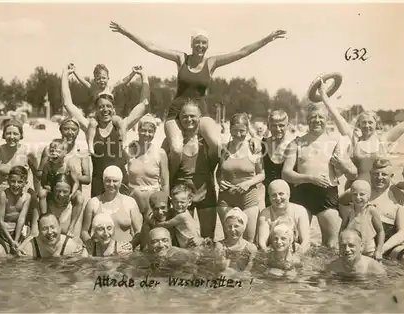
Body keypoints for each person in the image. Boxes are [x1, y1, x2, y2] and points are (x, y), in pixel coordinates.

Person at [110, 21, 286, 180]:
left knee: (217, 144)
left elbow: (242, 52)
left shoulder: (211, 63)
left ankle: (208, 173)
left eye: (204, 43)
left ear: (207, 45)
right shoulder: (181, 59)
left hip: (200, 111)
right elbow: (152, 47)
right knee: (177, 149)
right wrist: (127, 32)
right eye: (197, 42)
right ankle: (168, 180)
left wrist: (268, 39)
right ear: (191, 44)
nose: (200, 46)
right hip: (177, 111)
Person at [61, 65, 150, 197]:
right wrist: (64, 76)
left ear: (113, 109)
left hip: (120, 182)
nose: (105, 110)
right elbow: (68, 104)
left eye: (108, 106)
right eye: (101, 107)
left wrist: (144, 76)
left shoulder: (122, 125)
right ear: (96, 110)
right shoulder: (90, 127)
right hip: (99, 184)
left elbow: (143, 106)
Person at [282, 103, 358, 248]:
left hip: (326, 194)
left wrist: (342, 166)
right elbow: (286, 173)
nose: (317, 120)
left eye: (320, 117)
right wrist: (310, 178)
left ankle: (326, 271)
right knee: (298, 242)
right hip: (301, 194)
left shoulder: (335, 143)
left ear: (327, 119)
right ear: (307, 119)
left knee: (331, 244)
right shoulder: (297, 143)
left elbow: (353, 173)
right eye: (313, 117)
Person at [318, 78, 404, 187]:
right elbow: (336, 116)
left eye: (370, 123)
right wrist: (323, 95)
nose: (367, 125)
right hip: (357, 189)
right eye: (364, 123)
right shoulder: (354, 139)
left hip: (378, 188)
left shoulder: (383, 140)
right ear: (359, 124)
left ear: (376, 124)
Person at [163, 100, 219, 240]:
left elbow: (219, 156)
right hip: (181, 193)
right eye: (185, 116)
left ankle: (206, 262)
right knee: (185, 238)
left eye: (193, 116)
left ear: (200, 117)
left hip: (206, 191)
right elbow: (162, 165)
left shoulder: (206, 140)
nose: (189, 119)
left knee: (208, 238)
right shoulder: (172, 140)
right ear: (179, 119)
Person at [69, 64, 141, 155]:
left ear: (108, 78)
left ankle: (124, 142)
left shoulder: (111, 88)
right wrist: (74, 72)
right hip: (98, 115)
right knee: (92, 124)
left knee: (120, 122)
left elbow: (123, 81)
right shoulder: (94, 89)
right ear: (95, 80)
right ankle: (90, 145)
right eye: (98, 78)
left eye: (103, 78)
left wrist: (133, 73)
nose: (101, 81)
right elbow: (83, 82)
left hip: (111, 115)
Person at [217, 113, 265, 242]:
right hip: (226, 199)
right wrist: (219, 181)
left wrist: (248, 183)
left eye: (242, 131)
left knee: (249, 240)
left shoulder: (253, 147)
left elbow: (262, 174)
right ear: (230, 129)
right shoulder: (223, 149)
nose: (238, 134)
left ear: (247, 130)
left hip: (248, 197)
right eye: (234, 130)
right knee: (230, 239)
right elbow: (218, 173)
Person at [82, 166, 143, 248]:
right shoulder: (93, 202)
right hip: (100, 254)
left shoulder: (130, 202)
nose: (111, 184)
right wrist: (91, 245)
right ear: (103, 182)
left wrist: (132, 244)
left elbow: (138, 231)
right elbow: (84, 231)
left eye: (115, 181)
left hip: (124, 253)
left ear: (120, 183)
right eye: (108, 181)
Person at [367, 159, 404, 261]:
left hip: (388, 244)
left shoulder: (399, 198)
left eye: (384, 174)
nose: (380, 177)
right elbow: (341, 201)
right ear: (370, 174)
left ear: (391, 176)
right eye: (376, 174)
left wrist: (381, 250)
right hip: (364, 243)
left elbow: (403, 232)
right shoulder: (362, 192)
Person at [128, 114, 169, 216]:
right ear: (138, 130)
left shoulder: (160, 153)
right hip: (133, 199)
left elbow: (165, 183)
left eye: (150, 131)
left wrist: (164, 203)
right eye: (143, 130)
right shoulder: (129, 150)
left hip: (153, 202)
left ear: (155, 133)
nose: (147, 134)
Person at [257, 179, 310, 253]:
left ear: (288, 194)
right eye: (273, 195)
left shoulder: (300, 211)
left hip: (295, 250)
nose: (278, 198)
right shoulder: (265, 214)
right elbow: (262, 243)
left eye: (281, 194)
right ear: (269, 197)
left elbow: (306, 241)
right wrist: (268, 255)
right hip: (273, 251)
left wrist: (298, 255)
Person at [339, 180, 384, 260]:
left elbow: (380, 231)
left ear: (369, 195)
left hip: (369, 251)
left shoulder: (371, 210)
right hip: (351, 251)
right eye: (354, 194)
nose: (358, 197)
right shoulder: (349, 211)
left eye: (362, 194)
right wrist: (340, 248)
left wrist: (378, 250)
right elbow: (342, 230)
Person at [38, 139, 84, 216]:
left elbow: (76, 182)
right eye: (52, 151)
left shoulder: (68, 165)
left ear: (65, 153)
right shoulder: (47, 166)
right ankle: (44, 215)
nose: (54, 154)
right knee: (41, 193)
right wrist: (51, 189)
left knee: (80, 198)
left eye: (58, 152)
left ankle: (73, 223)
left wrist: (71, 193)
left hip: (67, 191)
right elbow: (43, 182)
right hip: (53, 190)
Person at [261, 110, 296, 207]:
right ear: (268, 126)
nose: (278, 129)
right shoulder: (262, 144)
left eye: (281, 125)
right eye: (274, 126)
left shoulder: (296, 143)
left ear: (288, 125)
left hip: (292, 196)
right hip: (270, 196)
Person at [153, 184, 204, 249]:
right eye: (176, 202)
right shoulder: (180, 212)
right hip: (189, 246)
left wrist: (153, 222)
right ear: (171, 202)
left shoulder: (182, 216)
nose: (179, 205)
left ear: (189, 202)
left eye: (182, 202)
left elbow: (166, 224)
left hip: (193, 247)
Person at [0, 166, 32, 254]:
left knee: (24, 253)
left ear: (25, 183)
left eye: (20, 182)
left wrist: (16, 239)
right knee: (7, 254)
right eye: (13, 181)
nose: (16, 185)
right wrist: (11, 241)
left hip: (18, 231)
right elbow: (0, 220)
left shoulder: (26, 197)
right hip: (4, 231)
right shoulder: (3, 195)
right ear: (8, 181)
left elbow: (21, 219)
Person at [18, 213, 87, 259]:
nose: (50, 232)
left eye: (53, 227)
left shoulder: (70, 246)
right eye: (44, 229)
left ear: (60, 227)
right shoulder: (30, 249)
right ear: (39, 231)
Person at [214, 208, 257, 272]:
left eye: (236, 226)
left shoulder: (251, 248)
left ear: (244, 227)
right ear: (225, 228)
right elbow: (220, 269)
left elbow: (249, 270)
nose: (232, 229)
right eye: (229, 226)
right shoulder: (220, 246)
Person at [43, 174, 83, 238]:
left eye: (65, 192)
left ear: (71, 191)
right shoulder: (44, 205)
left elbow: (76, 237)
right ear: (52, 189)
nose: (61, 195)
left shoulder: (75, 209)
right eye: (58, 191)